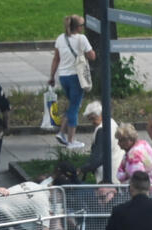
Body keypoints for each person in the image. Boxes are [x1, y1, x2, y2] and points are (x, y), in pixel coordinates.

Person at [48, 14, 95, 150]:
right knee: (74, 108)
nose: (83, 27)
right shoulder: (82, 39)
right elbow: (92, 56)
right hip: (76, 77)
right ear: (77, 27)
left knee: (72, 105)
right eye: (82, 25)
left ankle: (62, 133)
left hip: (64, 77)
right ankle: (70, 140)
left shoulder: (60, 39)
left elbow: (56, 59)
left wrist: (52, 76)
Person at [77, 101, 123, 182]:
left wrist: (82, 169)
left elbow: (98, 157)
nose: (92, 123)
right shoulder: (112, 123)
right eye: (89, 119)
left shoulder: (102, 129)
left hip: (108, 177)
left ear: (101, 114)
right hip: (118, 171)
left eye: (93, 118)